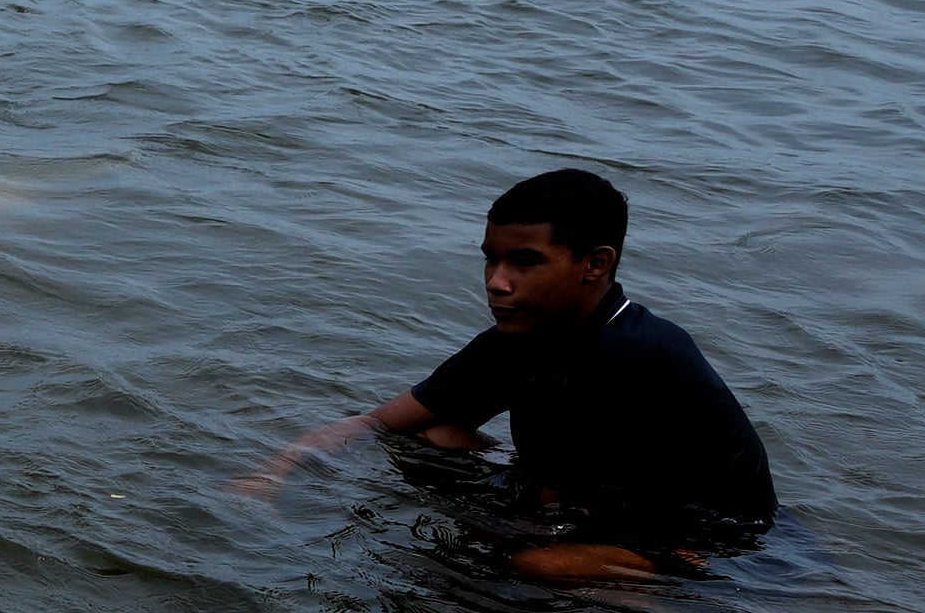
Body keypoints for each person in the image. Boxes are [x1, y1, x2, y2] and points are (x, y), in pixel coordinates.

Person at [237, 165, 771, 583]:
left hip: (718, 544)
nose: (497, 282)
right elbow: (376, 423)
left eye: (525, 262)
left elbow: (628, 493)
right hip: (594, 503)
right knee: (432, 437)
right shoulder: (518, 341)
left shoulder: (641, 353)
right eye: (490, 260)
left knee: (536, 567)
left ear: (596, 263)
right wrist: (274, 474)